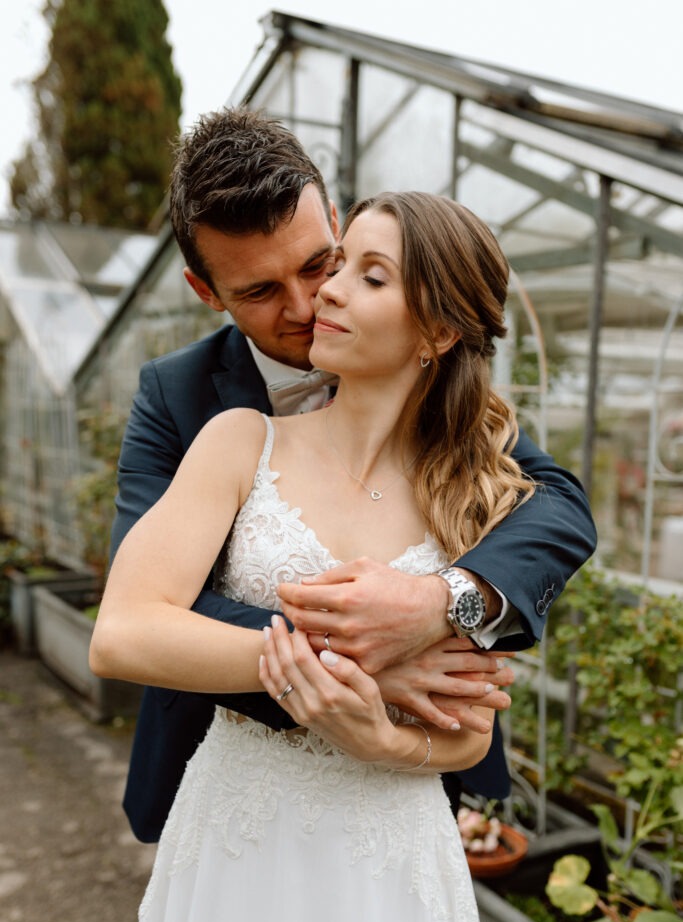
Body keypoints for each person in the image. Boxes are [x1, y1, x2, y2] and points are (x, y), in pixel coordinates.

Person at [91, 189, 552, 922]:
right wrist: (360, 664)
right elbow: (122, 630)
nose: (326, 293)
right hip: (239, 834)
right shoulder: (238, 439)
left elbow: (468, 728)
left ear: (439, 332)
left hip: (392, 853)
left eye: (365, 275)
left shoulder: (476, 493)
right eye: (340, 264)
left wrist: (380, 737)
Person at [112, 108, 597, 846]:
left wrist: (442, 602)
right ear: (206, 290)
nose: (309, 306)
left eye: (319, 265)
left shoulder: (457, 413)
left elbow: (557, 506)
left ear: (334, 222)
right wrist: (357, 665)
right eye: (260, 292)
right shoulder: (181, 403)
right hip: (238, 774)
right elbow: (146, 606)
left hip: (404, 787)